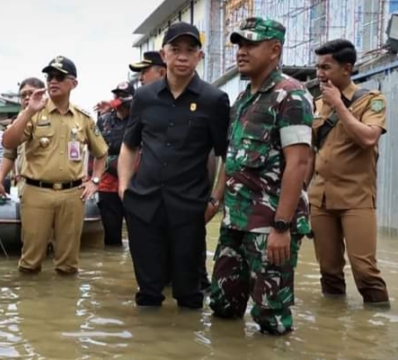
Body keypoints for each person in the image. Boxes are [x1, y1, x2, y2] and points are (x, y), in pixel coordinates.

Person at [209, 17, 313, 335]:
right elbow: (232, 158)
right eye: (239, 44)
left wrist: (281, 227)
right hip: (235, 222)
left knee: (270, 316)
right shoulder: (242, 100)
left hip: (270, 225)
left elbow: (299, 163)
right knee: (223, 306)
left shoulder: (291, 96)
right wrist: (215, 201)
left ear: (274, 50)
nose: (241, 51)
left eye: (251, 44)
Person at [117, 22, 230, 309]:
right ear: (163, 54)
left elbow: (227, 155)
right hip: (144, 203)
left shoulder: (214, 100)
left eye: (189, 50)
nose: (182, 56)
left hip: (190, 208)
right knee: (148, 292)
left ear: (199, 57)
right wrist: (124, 188)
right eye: (175, 50)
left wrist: (215, 199)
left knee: (189, 293)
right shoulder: (144, 97)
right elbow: (130, 145)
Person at [2, 56, 109, 274]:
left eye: (60, 77)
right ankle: (30, 305)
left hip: (73, 195)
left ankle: (65, 305)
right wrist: (29, 111)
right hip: (36, 192)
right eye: (50, 77)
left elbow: (102, 153)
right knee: (30, 260)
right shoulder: (33, 113)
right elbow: (8, 142)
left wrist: (95, 181)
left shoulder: (83, 118)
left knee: (68, 264)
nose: (53, 81)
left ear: (74, 83)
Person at [308, 39, 390, 305]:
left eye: (326, 67)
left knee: (365, 272)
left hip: (356, 199)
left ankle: (374, 328)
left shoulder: (371, 100)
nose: (320, 73)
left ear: (347, 68)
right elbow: (310, 153)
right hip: (320, 200)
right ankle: (332, 325)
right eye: (318, 67)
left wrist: (340, 106)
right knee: (328, 272)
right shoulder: (317, 104)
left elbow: (368, 139)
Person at [95, 81, 134, 247]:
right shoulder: (103, 120)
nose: (119, 99)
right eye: (116, 95)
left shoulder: (139, 120)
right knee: (111, 235)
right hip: (108, 183)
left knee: (138, 233)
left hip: (134, 182)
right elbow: (95, 150)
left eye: (123, 96)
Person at [0, 77, 46, 198]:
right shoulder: (17, 122)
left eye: (31, 93)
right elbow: (9, 153)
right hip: (26, 188)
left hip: (48, 187)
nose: (27, 97)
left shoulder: (52, 117)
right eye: (24, 95)